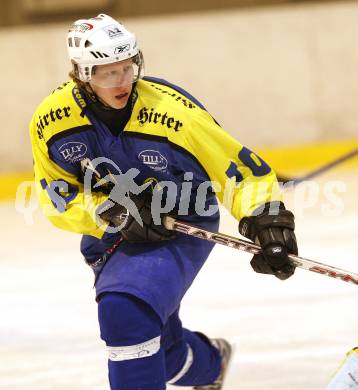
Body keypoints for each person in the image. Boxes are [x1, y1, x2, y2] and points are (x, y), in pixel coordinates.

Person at [29, 14, 299, 390]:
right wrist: (107, 212)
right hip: (109, 231)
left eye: (128, 67)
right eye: (109, 73)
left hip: (182, 219)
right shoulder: (52, 121)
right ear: (82, 74)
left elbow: (241, 172)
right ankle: (211, 362)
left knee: (126, 311)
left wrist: (265, 215)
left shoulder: (174, 114)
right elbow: (56, 194)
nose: (123, 80)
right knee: (161, 350)